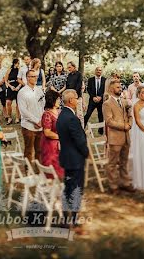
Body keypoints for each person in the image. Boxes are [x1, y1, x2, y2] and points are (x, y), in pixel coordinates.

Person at [56, 89, 88, 233]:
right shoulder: (72, 118)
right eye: (76, 98)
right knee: (76, 189)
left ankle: (64, 218)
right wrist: (86, 152)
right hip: (75, 159)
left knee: (67, 188)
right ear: (70, 100)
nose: (78, 100)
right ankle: (73, 220)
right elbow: (79, 140)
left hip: (66, 157)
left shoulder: (62, 115)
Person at [102, 79, 133, 193]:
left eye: (120, 87)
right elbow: (109, 121)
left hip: (126, 137)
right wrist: (123, 126)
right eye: (117, 87)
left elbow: (130, 115)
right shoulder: (107, 104)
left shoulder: (125, 102)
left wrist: (130, 123)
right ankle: (113, 185)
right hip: (115, 138)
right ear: (111, 89)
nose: (120, 89)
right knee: (113, 163)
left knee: (124, 162)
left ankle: (125, 183)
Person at [18, 69, 45, 163]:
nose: (36, 78)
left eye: (36, 76)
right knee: (29, 151)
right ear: (27, 78)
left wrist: (41, 120)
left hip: (40, 126)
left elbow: (43, 106)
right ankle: (27, 170)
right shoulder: (22, 92)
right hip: (28, 126)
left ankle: (38, 170)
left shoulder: (39, 90)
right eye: (33, 76)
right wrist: (35, 121)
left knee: (39, 150)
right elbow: (23, 111)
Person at [39, 90, 63, 178]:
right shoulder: (47, 115)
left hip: (59, 144)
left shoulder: (59, 112)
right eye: (57, 99)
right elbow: (47, 132)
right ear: (52, 100)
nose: (59, 101)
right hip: (50, 145)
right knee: (51, 170)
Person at [4, 58, 22, 125]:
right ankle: (9, 117)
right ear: (14, 63)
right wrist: (10, 86)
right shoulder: (9, 70)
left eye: (19, 63)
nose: (18, 64)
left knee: (18, 104)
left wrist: (18, 86)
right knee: (8, 102)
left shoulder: (20, 70)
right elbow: (6, 80)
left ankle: (17, 117)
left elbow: (22, 79)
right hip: (10, 87)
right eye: (18, 63)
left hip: (18, 86)